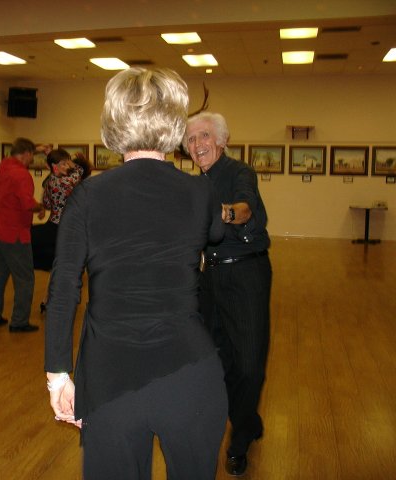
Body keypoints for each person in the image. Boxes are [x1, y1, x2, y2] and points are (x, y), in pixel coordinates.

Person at [44, 67, 228, 480]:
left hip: (110, 379)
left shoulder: (87, 196)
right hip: (189, 375)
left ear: (114, 122)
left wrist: (58, 377)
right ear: (174, 123)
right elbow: (216, 231)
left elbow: (63, 289)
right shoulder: (200, 191)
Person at [183, 111, 272, 476]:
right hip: (209, 278)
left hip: (246, 275)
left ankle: (241, 437)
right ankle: (245, 420)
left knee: (248, 363)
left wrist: (223, 214)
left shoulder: (239, 173)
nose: (197, 145)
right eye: (191, 140)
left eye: (204, 136)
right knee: (214, 360)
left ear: (221, 140)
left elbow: (245, 208)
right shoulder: (193, 184)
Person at [0, 137, 46, 333]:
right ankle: (19, 321)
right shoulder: (22, 175)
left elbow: (22, 152)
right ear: (26, 154)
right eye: (31, 156)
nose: (32, 160)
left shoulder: (3, 166)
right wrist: (41, 207)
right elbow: (27, 204)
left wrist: (37, 148)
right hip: (15, 235)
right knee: (25, 278)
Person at [32, 149, 84, 310]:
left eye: (67, 162)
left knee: (58, 266)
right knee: (64, 266)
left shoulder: (49, 182)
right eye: (63, 163)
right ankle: (53, 300)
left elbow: (47, 204)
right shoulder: (65, 181)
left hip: (54, 225)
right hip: (65, 228)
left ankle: (48, 299)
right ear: (54, 166)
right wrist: (73, 163)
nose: (67, 165)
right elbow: (80, 171)